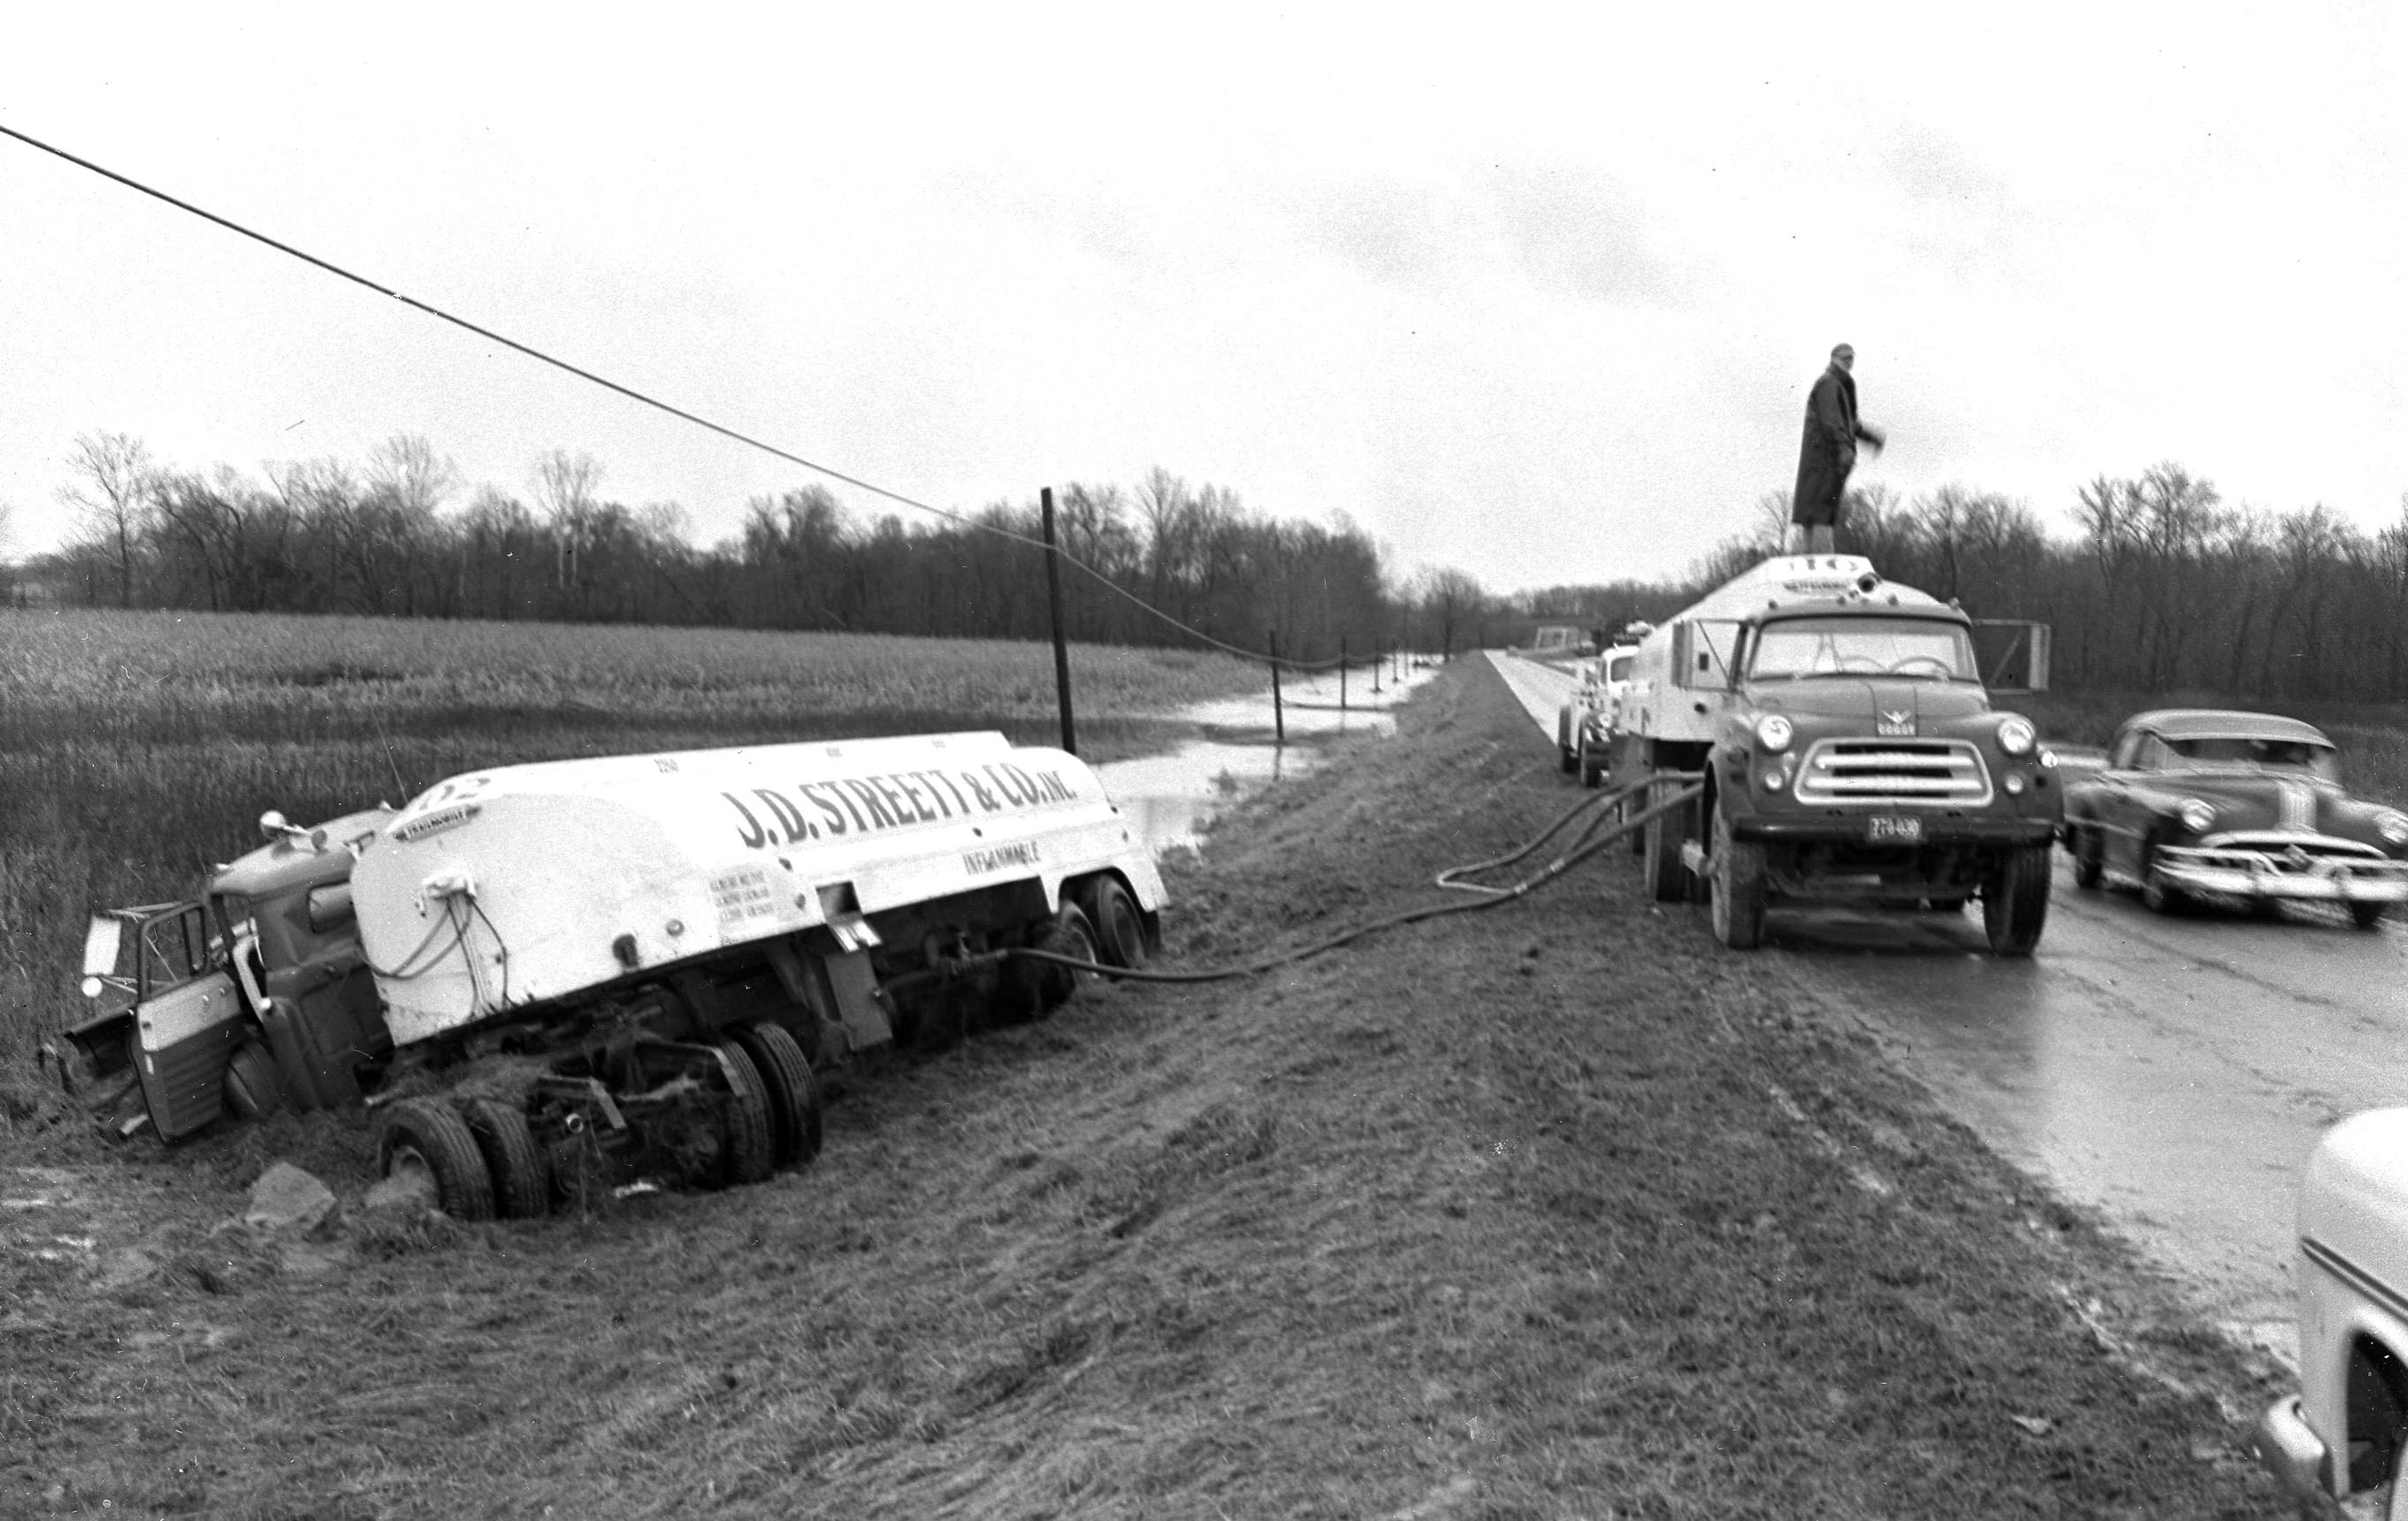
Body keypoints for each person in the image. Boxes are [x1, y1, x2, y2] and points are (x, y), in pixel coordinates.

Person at [1790, 343, 1886, 554]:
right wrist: (1843, 448)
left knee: (1821, 509)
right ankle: (1819, 559)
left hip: (1833, 458)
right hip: (1824, 457)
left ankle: (1815, 557)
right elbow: (1831, 420)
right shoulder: (1829, 384)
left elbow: (1849, 422)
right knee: (1820, 508)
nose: (1848, 361)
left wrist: (1870, 437)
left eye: (1851, 358)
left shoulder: (1841, 385)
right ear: (1833, 358)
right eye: (1844, 357)